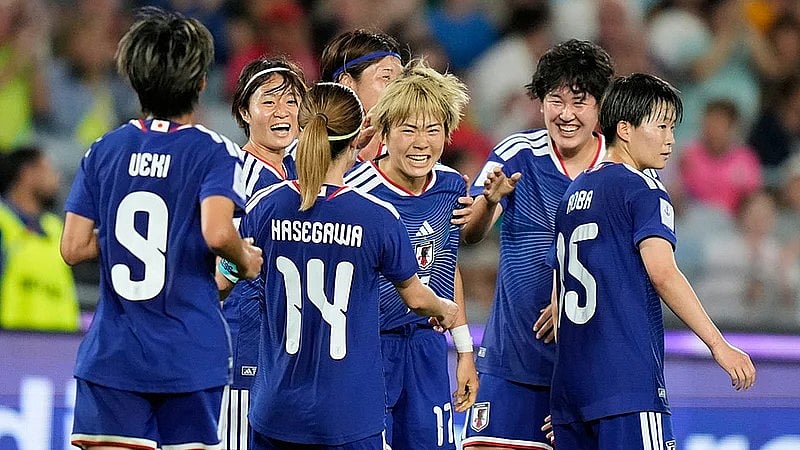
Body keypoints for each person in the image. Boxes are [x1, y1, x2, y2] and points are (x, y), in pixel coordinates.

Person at [59, 8, 263, 449]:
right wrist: (246, 259)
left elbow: (73, 247)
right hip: (189, 355)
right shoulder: (213, 151)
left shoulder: (105, 149)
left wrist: (117, 238)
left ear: (134, 80)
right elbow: (215, 232)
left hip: (113, 357)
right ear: (201, 81)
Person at [242, 81, 458, 449]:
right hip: (349, 415)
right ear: (359, 138)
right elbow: (418, 299)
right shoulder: (376, 217)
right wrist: (446, 309)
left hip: (276, 408)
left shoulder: (266, 205)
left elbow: (229, 276)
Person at [548, 72, 755, 449]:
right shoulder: (644, 189)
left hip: (571, 391)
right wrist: (718, 344)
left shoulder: (572, 193)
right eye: (661, 127)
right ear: (624, 129)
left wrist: (574, 398)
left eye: (673, 128)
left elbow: (558, 297)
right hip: (627, 385)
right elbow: (662, 273)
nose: (671, 139)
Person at [460, 39, 614, 450]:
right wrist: (490, 201)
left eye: (579, 102)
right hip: (512, 361)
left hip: (591, 372)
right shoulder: (516, 153)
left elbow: (642, 266)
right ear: (540, 102)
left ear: (600, 107)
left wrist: (568, 294)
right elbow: (469, 234)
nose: (566, 114)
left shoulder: (620, 170)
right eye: (555, 100)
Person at [344, 59, 477, 450]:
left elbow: (447, 269)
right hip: (367, 349)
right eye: (408, 129)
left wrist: (464, 350)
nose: (421, 142)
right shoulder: (356, 190)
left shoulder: (451, 187)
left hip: (426, 348)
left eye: (433, 129)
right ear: (383, 132)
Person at [218, 56, 307, 449]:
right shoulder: (239, 175)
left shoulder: (297, 177)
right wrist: (240, 263)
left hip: (285, 350)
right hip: (245, 344)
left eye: (290, 101)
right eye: (269, 101)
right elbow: (221, 272)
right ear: (243, 111)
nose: (282, 111)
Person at [0, 146, 79, 332]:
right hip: (10, 347)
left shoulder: (56, 228)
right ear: (27, 173)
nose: (57, 179)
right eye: (49, 170)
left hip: (56, 347)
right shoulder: (3, 223)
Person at [319, 28, 405, 161]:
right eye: (386, 77)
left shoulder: (410, 148)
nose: (399, 88)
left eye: (401, 79)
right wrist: (354, 149)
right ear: (347, 83)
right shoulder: (311, 144)